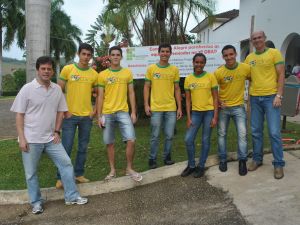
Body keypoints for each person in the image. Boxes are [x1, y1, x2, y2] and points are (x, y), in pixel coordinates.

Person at [10, 56, 88, 214]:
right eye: (43, 69)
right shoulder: (27, 89)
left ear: (53, 71)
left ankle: (71, 196)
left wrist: (57, 131)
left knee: (66, 163)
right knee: (31, 173)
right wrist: (22, 138)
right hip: (31, 140)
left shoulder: (56, 89)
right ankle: (36, 202)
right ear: (38, 70)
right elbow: (19, 115)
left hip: (51, 139)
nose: (46, 71)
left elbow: (61, 111)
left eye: (49, 69)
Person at [97, 46, 142, 182]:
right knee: (109, 143)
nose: (115, 57)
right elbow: (100, 96)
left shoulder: (127, 73)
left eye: (118, 55)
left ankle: (129, 168)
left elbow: (131, 93)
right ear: (109, 57)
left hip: (123, 112)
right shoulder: (102, 75)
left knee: (131, 140)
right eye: (113, 55)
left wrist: (133, 112)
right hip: (107, 113)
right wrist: (99, 116)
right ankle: (113, 170)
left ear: (121, 57)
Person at [56, 43, 98, 188]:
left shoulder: (94, 74)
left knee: (82, 147)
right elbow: (58, 91)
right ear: (78, 54)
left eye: (89, 55)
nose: (86, 57)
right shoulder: (68, 69)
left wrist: (95, 110)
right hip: (69, 116)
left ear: (91, 56)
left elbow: (99, 94)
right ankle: (61, 177)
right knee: (66, 147)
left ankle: (79, 174)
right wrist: (63, 110)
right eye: (83, 54)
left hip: (87, 117)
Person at [245, 31, 285, 179]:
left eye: (259, 37)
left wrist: (279, 95)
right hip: (255, 98)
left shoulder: (274, 53)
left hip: (271, 98)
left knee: (274, 132)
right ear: (252, 41)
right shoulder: (249, 58)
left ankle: (279, 164)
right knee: (256, 131)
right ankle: (257, 159)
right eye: (254, 39)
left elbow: (281, 75)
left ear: (265, 38)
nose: (257, 40)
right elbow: (248, 77)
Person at [143, 43, 182, 169]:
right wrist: (146, 105)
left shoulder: (174, 70)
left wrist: (179, 107)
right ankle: (152, 159)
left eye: (167, 51)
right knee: (155, 136)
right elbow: (147, 87)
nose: (165, 53)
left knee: (169, 135)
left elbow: (177, 89)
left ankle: (167, 157)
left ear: (170, 53)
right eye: (163, 51)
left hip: (171, 108)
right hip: (156, 108)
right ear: (158, 53)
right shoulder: (151, 69)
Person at [214, 45, 250, 176]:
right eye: (226, 55)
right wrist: (218, 101)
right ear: (223, 57)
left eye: (231, 54)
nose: (229, 57)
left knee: (242, 135)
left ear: (235, 54)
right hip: (224, 109)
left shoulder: (245, 68)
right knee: (222, 134)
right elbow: (213, 89)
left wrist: (250, 98)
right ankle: (223, 160)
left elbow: (253, 80)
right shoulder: (219, 72)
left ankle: (242, 161)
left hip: (239, 108)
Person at [181, 53, 218, 178]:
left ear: (204, 64)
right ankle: (191, 166)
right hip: (196, 113)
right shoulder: (188, 79)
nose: (199, 64)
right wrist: (189, 117)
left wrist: (215, 117)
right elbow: (187, 100)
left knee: (205, 140)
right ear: (193, 63)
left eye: (201, 62)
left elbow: (215, 97)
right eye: (197, 62)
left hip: (209, 112)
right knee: (188, 139)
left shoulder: (210, 77)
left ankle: (201, 166)